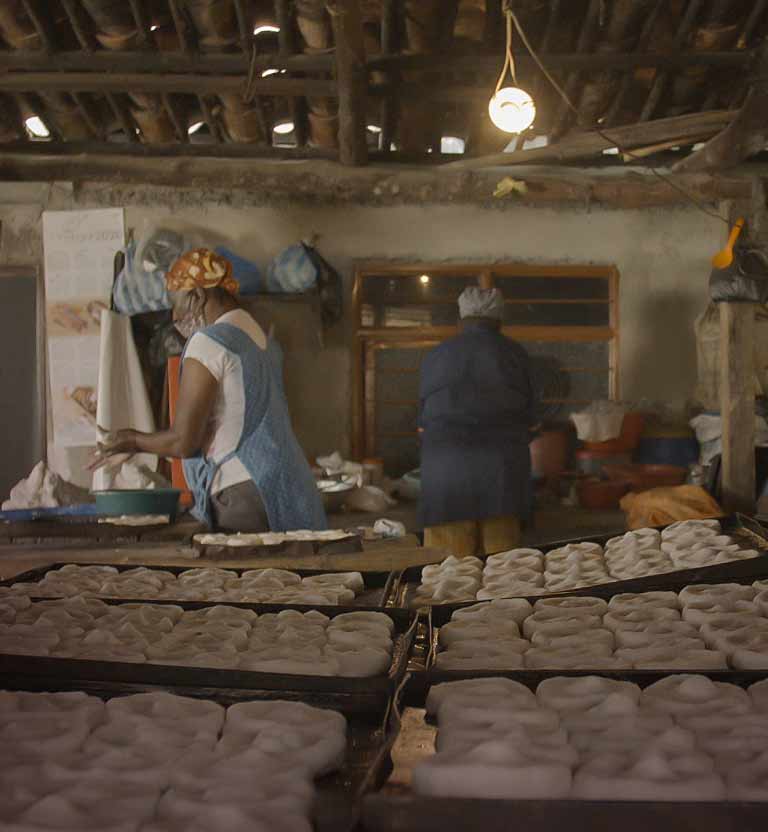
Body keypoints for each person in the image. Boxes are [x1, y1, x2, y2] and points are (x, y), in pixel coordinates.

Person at [93, 248, 327, 534]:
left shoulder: (209, 342)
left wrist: (132, 440)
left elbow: (183, 441)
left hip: (245, 491)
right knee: (288, 577)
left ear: (198, 296)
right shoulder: (260, 338)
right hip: (290, 486)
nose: (175, 316)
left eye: (176, 304)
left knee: (249, 579)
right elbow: (231, 423)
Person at [418, 286, 534, 557]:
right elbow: (532, 418)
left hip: (445, 477)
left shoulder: (436, 356)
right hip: (501, 477)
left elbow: (423, 420)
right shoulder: (516, 355)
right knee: (504, 571)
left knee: (446, 573)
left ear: (461, 319)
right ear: (499, 321)